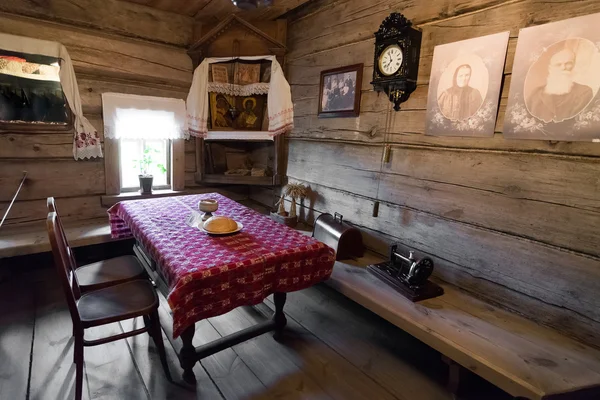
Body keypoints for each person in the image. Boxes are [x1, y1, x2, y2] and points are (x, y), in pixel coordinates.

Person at [526, 48, 594, 123]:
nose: (563, 68)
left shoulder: (584, 92)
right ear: (550, 68)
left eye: (568, 63)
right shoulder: (536, 94)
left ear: (573, 65)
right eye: (558, 64)